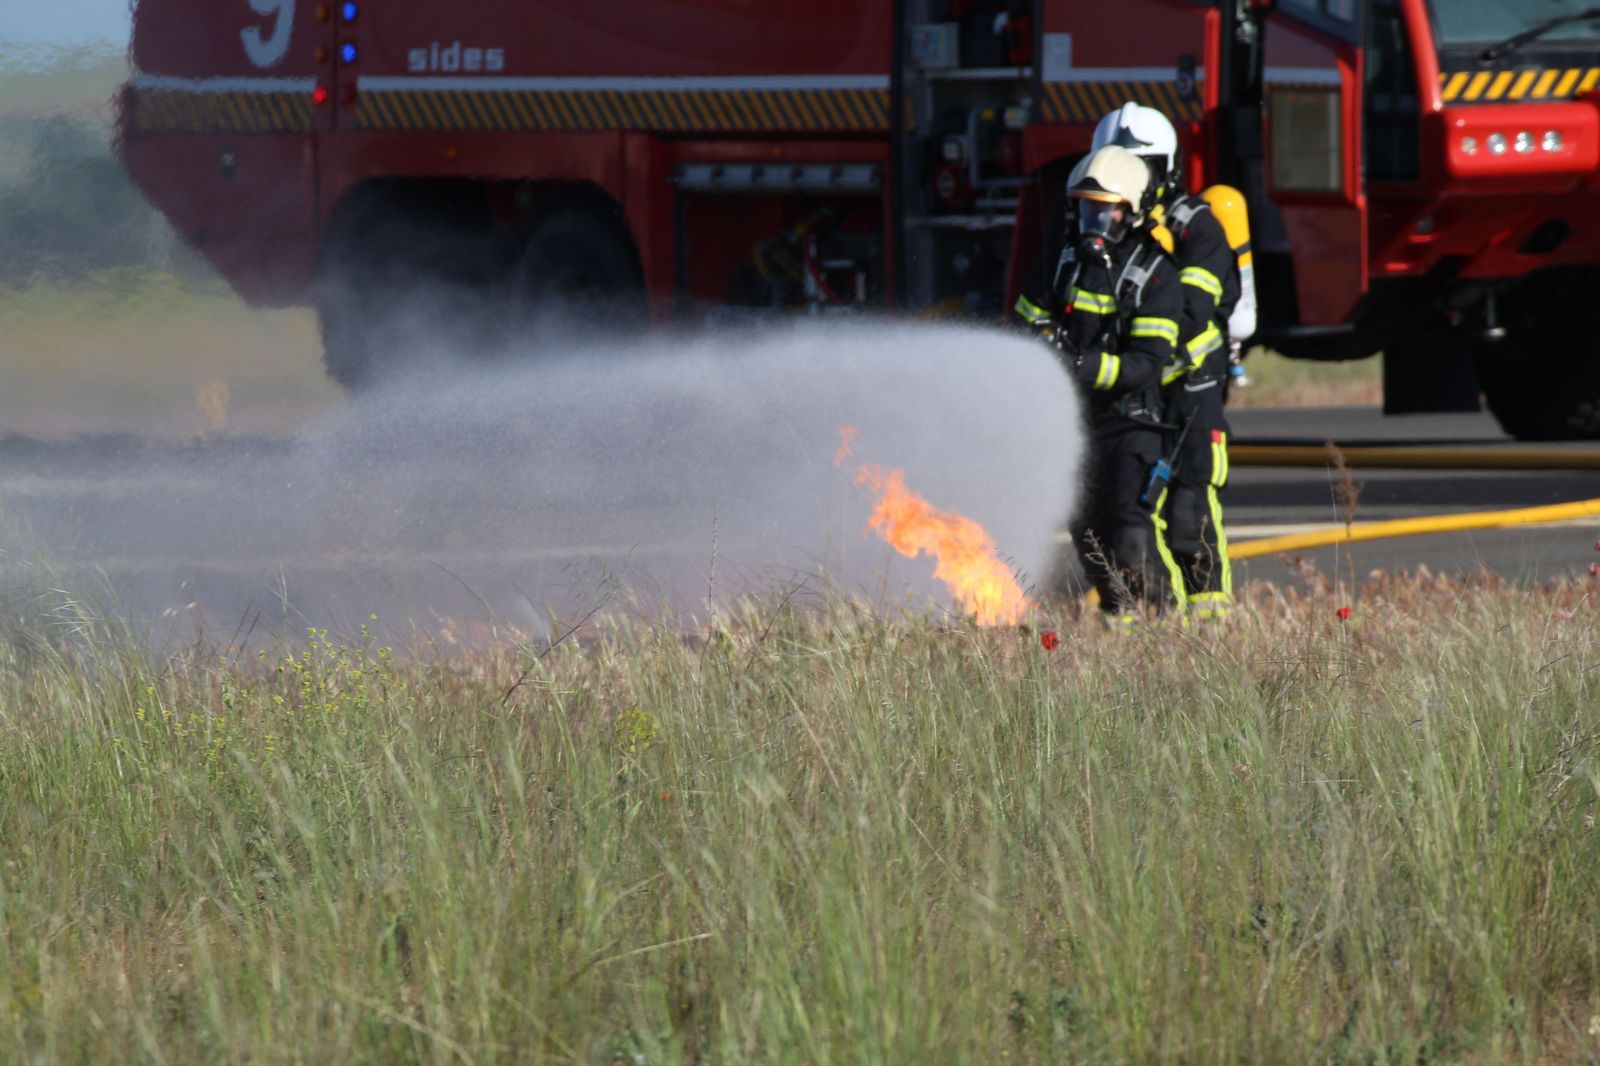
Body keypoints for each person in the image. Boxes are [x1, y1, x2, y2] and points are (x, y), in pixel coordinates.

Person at [1014, 145, 1187, 622]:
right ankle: (1123, 626)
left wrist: (1081, 366)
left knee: (1130, 532)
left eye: (1107, 207)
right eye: (1088, 206)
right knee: (1087, 535)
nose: (1096, 219)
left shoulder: (1155, 276)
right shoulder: (1060, 264)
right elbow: (1026, 322)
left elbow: (1145, 365)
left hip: (1131, 423)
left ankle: (1164, 618)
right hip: (1073, 427)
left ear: (1130, 211)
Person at [1090, 102, 1245, 620]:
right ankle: (1154, 623)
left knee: (1188, 515)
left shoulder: (1197, 228)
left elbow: (1195, 308)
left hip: (1190, 394)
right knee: (1127, 514)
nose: (1123, 178)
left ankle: (1212, 626)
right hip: (1135, 395)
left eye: (1139, 167)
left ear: (1166, 170)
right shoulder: (1102, 233)